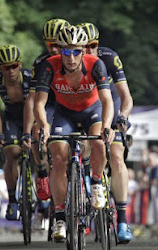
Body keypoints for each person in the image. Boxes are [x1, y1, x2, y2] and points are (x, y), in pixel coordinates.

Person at [34, 25, 115, 241]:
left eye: (76, 51)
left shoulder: (95, 65)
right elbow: (39, 102)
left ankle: (96, 182)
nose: (71, 57)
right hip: (65, 114)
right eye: (66, 51)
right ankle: (60, 216)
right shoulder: (49, 67)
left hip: (92, 111)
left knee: (98, 142)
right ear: (59, 51)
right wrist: (44, 125)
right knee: (58, 157)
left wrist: (107, 126)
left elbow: (107, 100)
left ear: (84, 51)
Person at [76, 22, 133, 243]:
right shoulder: (70, 63)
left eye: (93, 45)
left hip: (111, 103)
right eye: (85, 46)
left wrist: (123, 116)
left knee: (117, 156)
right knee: (84, 146)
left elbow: (126, 96)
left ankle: (122, 219)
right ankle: (86, 183)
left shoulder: (108, 57)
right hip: (85, 107)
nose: (89, 51)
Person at [22, 18, 70, 201]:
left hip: (72, 103)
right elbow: (32, 99)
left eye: (58, 44)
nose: (54, 49)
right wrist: (27, 132)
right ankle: (42, 171)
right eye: (50, 44)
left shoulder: (75, 57)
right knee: (37, 131)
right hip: (49, 103)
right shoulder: (41, 62)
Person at [0, 45, 32, 220]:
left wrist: (28, 133)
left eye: (14, 66)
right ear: (0, 68)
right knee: (12, 153)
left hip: (32, 115)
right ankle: (12, 200)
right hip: (12, 118)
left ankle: (43, 175)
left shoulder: (29, 78)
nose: (11, 71)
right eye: (6, 67)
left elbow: (33, 107)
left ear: (20, 65)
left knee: (39, 150)